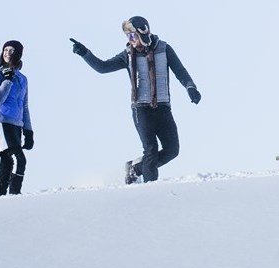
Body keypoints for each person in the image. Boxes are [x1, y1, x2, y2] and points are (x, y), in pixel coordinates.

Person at [70, 16, 201, 184]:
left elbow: (180, 71)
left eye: (132, 36)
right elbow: (102, 67)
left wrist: (191, 88)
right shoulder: (127, 55)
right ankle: (150, 192)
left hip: (162, 108)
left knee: (172, 150)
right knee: (151, 150)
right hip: (141, 109)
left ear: (143, 34)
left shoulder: (164, 49)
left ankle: (135, 169)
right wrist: (84, 53)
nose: (130, 40)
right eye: (128, 37)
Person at [0, 40, 34, 196]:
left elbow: (25, 106)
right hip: (0, 122)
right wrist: (7, 80)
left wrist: (28, 130)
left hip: (16, 124)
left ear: (18, 54)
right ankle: (15, 195)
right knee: (18, 159)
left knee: (7, 163)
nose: (7, 53)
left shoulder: (23, 79)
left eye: (11, 50)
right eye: (5, 49)